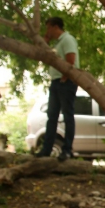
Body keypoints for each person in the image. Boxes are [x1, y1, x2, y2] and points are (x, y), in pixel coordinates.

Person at [35, 16, 79, 161]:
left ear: (55, 27)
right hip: (56, 81)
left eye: (48, 28)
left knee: (67, 116)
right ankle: (46, 149)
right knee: (52, 116)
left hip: (66, 82)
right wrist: (45, 40)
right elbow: (41, 53)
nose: (47, 31)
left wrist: (64, 78)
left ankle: (67, 150)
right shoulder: (57, 43)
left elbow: (71, 61)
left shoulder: (67, 39)